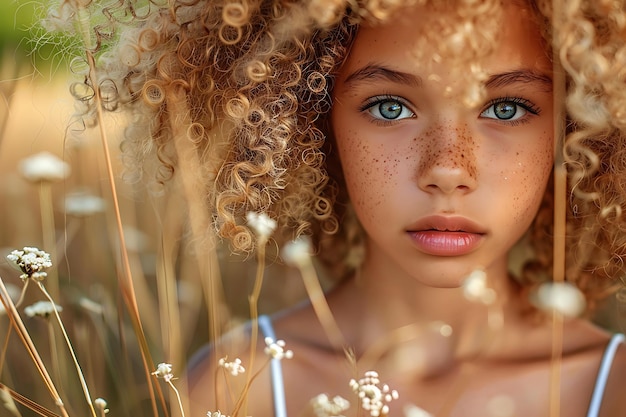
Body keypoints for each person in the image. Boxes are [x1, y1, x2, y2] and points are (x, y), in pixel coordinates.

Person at [58, 0, 626, 415]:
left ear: (579, 128)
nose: (448, 169)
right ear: (309, 121)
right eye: (389, 106)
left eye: (505, 109)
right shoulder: (243, 385)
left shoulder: (613, 386)